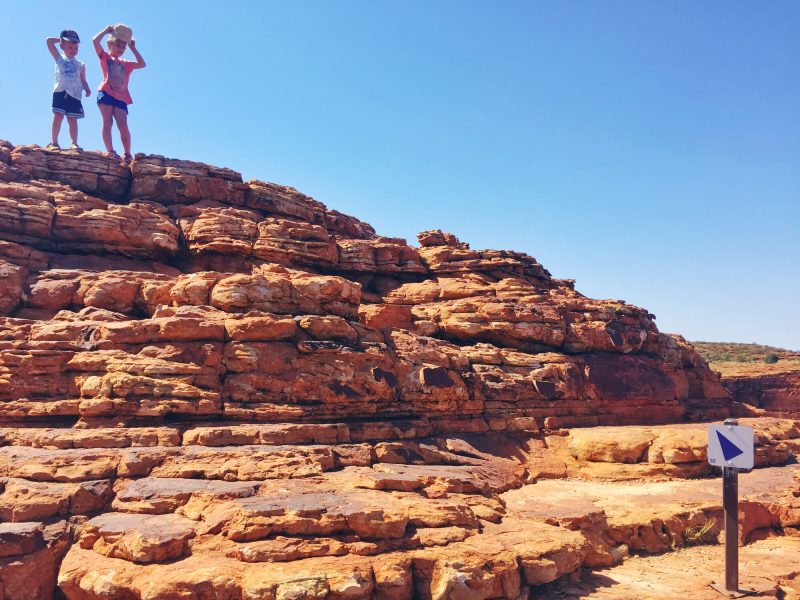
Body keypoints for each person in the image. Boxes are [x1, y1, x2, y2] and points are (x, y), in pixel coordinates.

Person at [93, 24, 146, 164]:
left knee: (123, 125)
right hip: (106, 92)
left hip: (121, 97)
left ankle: (127, 154)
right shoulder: (105, 57)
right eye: (117, 45)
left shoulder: (126, 63)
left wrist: (133, 47)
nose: (121, 49)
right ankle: (110, 151)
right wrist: (106, 31)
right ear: (109, 45)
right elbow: (95, 41)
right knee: (108, 121)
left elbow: (142, 64)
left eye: (123, 47)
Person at [46, 30, 91, 151]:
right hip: (61, 91)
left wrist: (87, 88)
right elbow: (48, 42)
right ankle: (54, 142)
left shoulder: (80, 64)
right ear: (62, 46)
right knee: (58, 116)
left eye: (76, 47)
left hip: (75, 95)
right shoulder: (60, 58)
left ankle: (74, 143)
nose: (73, 50)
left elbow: (83, 79)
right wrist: (60, 39)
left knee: (72, 119)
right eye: (70, 47)